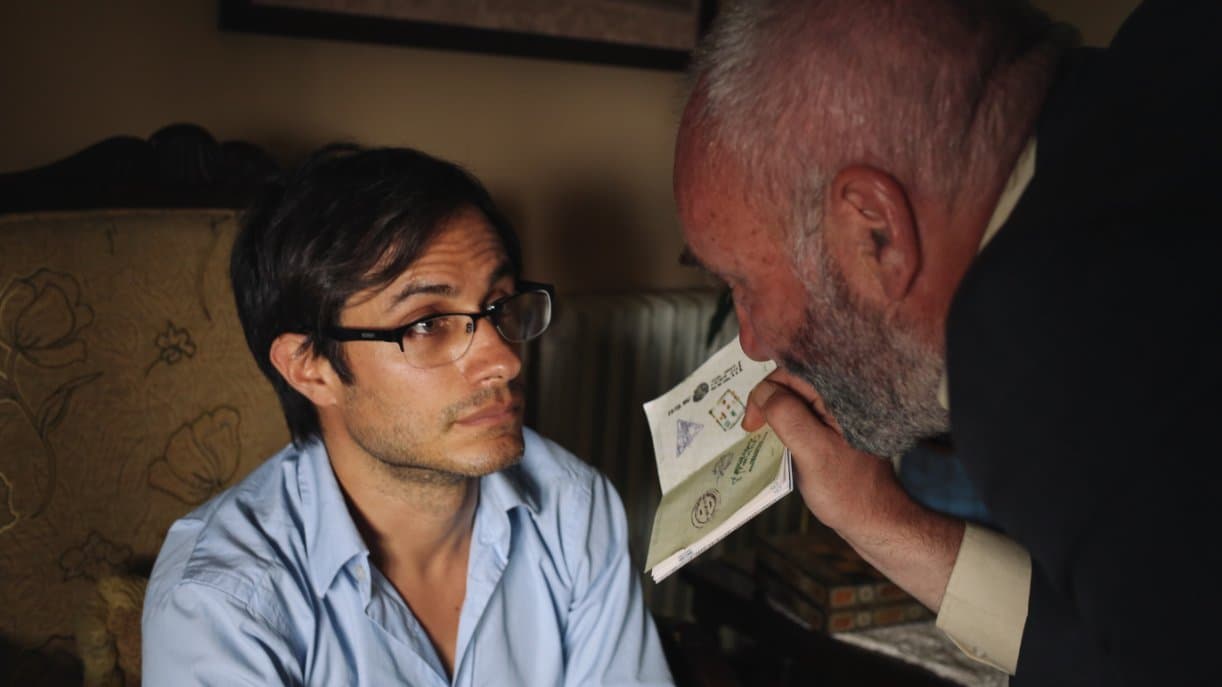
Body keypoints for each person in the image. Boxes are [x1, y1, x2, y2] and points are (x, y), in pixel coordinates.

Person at [673, 1, 1221, 684]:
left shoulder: (1040, 337)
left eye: (745, 285)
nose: (751, 343)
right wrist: (878, 518)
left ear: (875, 230)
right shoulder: (1171, 56)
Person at [142, 145, 674, 686]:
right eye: (426, 324)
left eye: (500, 304)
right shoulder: (220, 604)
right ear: (310, 369)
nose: (505, 361)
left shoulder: (572, 508)